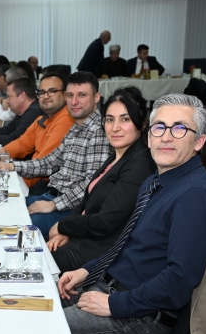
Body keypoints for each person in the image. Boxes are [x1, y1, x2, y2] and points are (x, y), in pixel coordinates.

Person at [57, 94, 206, 334]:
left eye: (180, 128)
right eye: (159, 127)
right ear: (149, 138)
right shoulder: (154, 183)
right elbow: (127, 244)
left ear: (199, 142)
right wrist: (86, 270)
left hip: (140, 318)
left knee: (34, 329)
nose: (166, 137)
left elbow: (179, 281)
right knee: (25, 305)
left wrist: (114, 304)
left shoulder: (196, 196)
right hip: (111, 289)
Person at [46, 88, 156, 271]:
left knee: (31, 259)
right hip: (84, 237)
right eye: (110, 119)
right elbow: (86, 202)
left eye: (125, 119)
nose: (115, 127)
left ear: (142, 124)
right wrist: (66, 231)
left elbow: (106, 222)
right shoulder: (117, 156)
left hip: (99, 253)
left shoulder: (140, 164)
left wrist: (63, 225)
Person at [0, 72, 110, 237]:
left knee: (11, 225)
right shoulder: (76, 127)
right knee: (0, 206)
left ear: (96, 97)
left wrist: (53, 205)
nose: (74, 102)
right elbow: (49, 162)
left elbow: (92, 186)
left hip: (72, 209)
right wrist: (11, 166)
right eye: (70, 95)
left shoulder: (99, 132)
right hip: (53, 197)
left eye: (82, 95)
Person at [0, 72, 75, 189]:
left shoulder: (66, 119)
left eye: (52, 91)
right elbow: (22, 143)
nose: (46, 96)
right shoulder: (43, 118)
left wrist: (19, 186)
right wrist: (3, 153)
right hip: (34, 175)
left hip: (50, 185)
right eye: (42, 92)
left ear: (65, 95)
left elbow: (43, 164)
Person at [0, 76, 42, 146]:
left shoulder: (33, 112)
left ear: (22, 96)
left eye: (9, 97)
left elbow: (15, 139)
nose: (7, 101)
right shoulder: (23, 111)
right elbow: (8, 130)